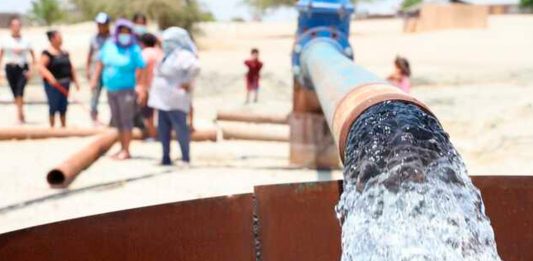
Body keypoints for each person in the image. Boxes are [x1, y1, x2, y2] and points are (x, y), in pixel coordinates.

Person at [91, 19, 147, 160]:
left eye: (127, 32)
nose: (124, 35)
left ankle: (126, 150)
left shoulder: (134, 48)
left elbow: (141, 67)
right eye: (121, 32)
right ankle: (121, 147)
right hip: (111, 89)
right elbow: (100, 63)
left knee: (126, 120)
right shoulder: (109, 45)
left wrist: (140, 86)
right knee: (117, 120)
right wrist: (94, 79)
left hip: (127, 89)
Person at [148, 27, 200, 166]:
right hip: (162, 100)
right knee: (163, 130)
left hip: (176, 100)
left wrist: (186, 82)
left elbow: (195, 68)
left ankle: (185, 158)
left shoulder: (184, 55)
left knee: (181, 130)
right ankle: (166, 157)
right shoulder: (167, 54)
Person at [39, 30, 80, 128]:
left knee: (63, 106)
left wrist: (76, 81)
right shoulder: (47, 53)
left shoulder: (65, 52)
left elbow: (71, 67)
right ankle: (52, 127)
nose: (61, 39)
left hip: (65, 82)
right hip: (53, 85)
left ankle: (63, 126)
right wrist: (51, 78)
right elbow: (41, 67)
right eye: (59, 37)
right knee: (53, 105)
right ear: (53, 39)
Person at [0, 17, 36, 124]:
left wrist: (31, 70)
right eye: (14, 26)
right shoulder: (5, 40)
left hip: (22, 68)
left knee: (20, 91)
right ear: (10, 27)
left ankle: (19, 115)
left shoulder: (26, 40)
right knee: (14, 91)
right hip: (10, 68)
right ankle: (20, 112)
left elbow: (33, 56)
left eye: (18, 25)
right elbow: (1, 55)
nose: (16, 28)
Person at [86, 12, 112, 126]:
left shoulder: (113, 38)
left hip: (110, 70)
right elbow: (89, 55)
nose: (100, 26)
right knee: (95, 95)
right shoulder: (93, 39)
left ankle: (113, 118)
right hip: (95, 70)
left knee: (112, 94)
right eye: (99, 24)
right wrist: (87, 70)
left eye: (103, 24)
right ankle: (94, 117)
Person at [138, 33, 163, 140]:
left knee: (149, 113)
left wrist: (140, 87)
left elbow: (140, 70)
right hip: (161, 86)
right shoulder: (160, 53)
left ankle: (153, 135)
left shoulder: (144, 54)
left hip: (148, 86)